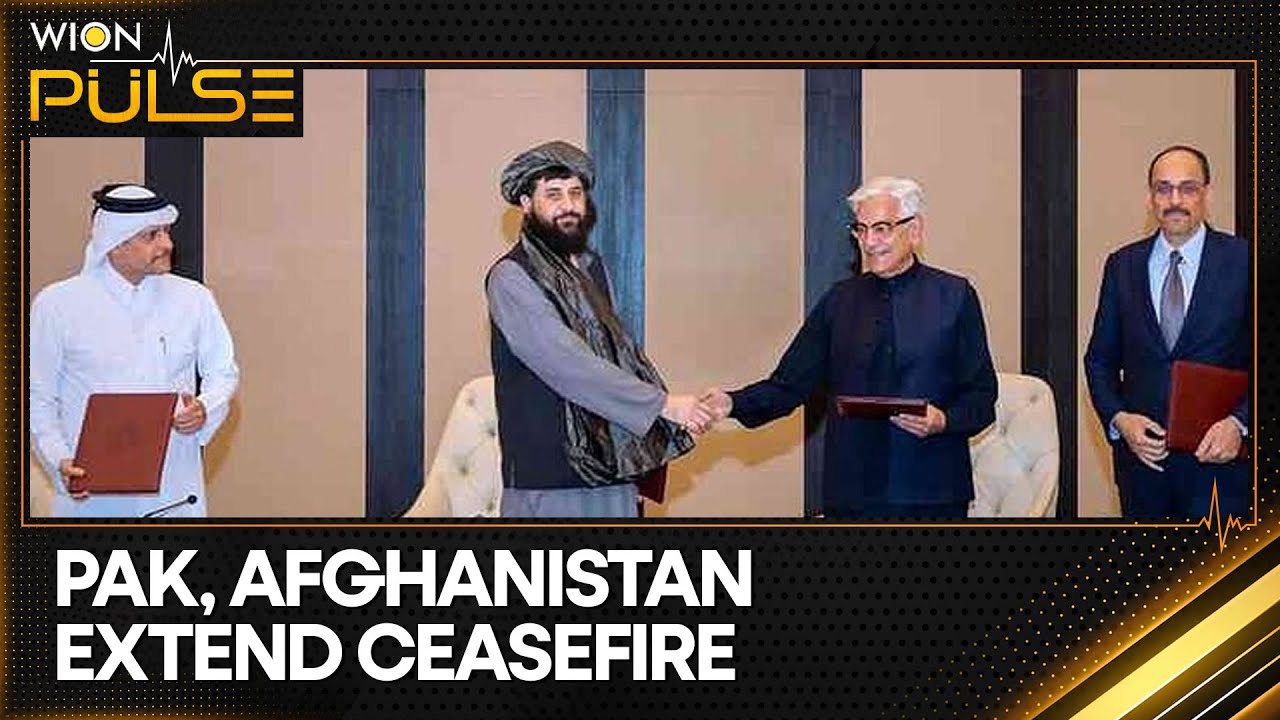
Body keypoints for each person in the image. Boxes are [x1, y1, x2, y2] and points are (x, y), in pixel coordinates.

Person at [701, 176, 997, 519]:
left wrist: (943, 420)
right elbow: (789, 385)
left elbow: (982, 396)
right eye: (861, 229)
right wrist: (731, 403)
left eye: (882, 228)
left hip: (932, 492)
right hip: (852, 493)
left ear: (914, 230)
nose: (869, 242)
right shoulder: (839, 301)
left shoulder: (955, 296)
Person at [486, 140, 710, 518]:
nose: (568, 205)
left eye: (575, 193)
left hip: (611, 468)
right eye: (553, 195)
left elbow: (619, 357)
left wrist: (637, 466)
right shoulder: (511, 276)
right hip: (551, 477)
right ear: (526, 203)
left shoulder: (592, 268)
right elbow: (565, 362)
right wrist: (663, 404)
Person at [30, 183, 240, 518]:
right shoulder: (57, 305)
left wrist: (204, 408)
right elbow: (37, 397)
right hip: (90, 496)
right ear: (115, 244)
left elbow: (223, 372)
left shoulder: (194, 299)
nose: (167, 244)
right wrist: (59, 459)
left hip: (174, 490)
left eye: (166, 232)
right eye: (152, 235)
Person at [1084, 145, 1250, 519]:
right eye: (1164, 188)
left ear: (1207, 194)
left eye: (1188, 188)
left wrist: (1240, 423)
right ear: (1150, 197)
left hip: (1221, 470)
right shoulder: (1122, 265)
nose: (1175, 200)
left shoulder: (1245, 262)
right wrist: (1120, 419)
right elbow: (1099, 360)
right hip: (1143, 470)